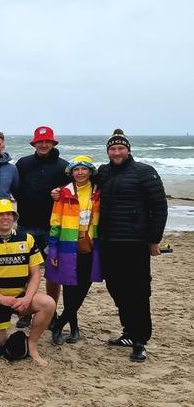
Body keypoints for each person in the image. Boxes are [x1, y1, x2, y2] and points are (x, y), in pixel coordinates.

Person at [94, 129, 167, 362]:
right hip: (108, 241)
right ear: (108, 152)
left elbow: (159, 207)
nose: (116, 152)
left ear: (128, 150)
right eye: (112, 149)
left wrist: (154, 240)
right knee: (116, 288)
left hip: (135, 242)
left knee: (138, 291)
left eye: (120, 148)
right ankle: (128, 331)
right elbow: (82, 183)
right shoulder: (103, 173)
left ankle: (140, 340)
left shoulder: (145, 172)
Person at [0, 199, 55, 368]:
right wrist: (0, 298)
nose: (5, 218)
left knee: (48, 303)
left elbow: (36, 273)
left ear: (14, 218)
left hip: (19, 297)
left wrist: (28, 298)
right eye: (0, 214)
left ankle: (32, 346)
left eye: (9, 214)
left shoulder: (26, 239)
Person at [15, 126, 69, 325]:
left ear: (53, 143)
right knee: (25, 271)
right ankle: (26, 310)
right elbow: (13, 186)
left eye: (47, 141)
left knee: (53, 272)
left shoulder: (64, 167)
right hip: (25, 225)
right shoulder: (23, 164)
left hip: (52, 228)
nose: (44, 144)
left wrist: (61, 192)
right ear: (34, 143)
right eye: (40, 141)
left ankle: (50, 312)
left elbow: (75, 191)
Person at [47, 156, 102, 345]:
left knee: (83, 288)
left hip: (90, 246)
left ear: (90, 172)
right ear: (71, 172)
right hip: (67, 246)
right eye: (76, 169)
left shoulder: (99, 192)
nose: (80, 173)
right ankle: (74, 329)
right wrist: (53, 250)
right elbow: (55, 223)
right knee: (70, 288)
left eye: (84, 169)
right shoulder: (63, 193)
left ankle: (59, 324)